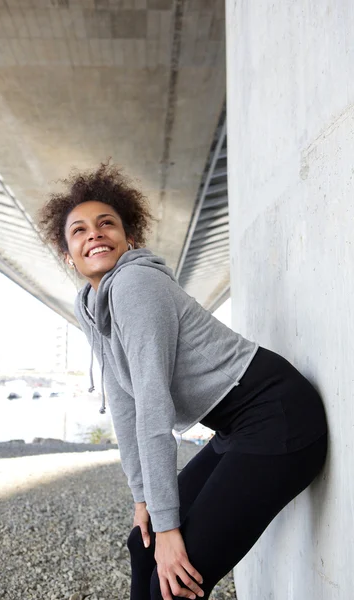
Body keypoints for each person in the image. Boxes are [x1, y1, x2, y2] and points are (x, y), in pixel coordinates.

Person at [38, 163, 328, 600]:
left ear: (129, 237)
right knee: (144, 543)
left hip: (277, 419)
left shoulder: (134, 284)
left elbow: (153, 409)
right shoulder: (91, 302)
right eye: (78, 230)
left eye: (106, 224)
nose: (94, 234)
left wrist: (171, 525)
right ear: (68, 254)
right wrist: (145, 501)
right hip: (237, 426)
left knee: (173, 583)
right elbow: (125, 403)